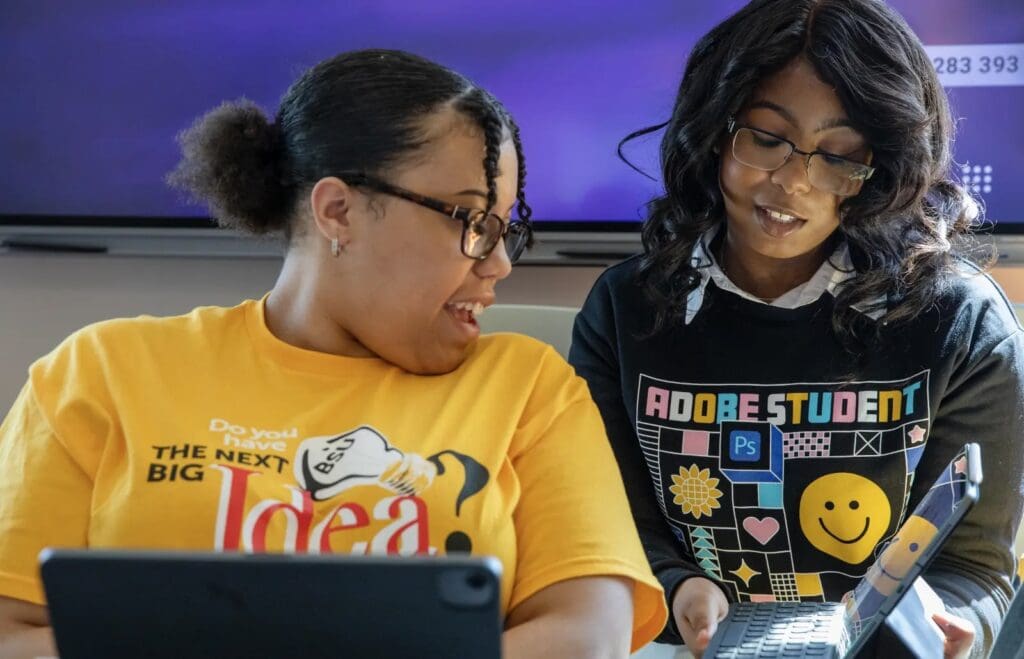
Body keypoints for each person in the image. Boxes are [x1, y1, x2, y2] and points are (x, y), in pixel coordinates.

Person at [0, 49, 667, 658]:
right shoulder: (102, 372)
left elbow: (588, 633)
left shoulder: (529, 388)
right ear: (339, 211)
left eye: (505, 230)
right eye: (470, 222)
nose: (497, 264)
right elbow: (11, 630)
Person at [568, 1, 1024, 658]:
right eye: (767, 137)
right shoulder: (626, 309)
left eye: (840, 155)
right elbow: (612, 524)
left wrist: (954, 630)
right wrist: (677, 586)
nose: (793, 183)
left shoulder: (962, 321)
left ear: (882, 167)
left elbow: (976, 567)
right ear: (714, 129)